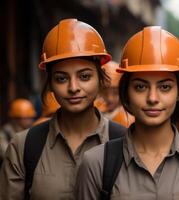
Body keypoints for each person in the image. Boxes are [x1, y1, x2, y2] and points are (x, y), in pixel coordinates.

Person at [75, 26, 179, 200]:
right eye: (140, 87)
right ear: (126, 94)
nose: (153, 98)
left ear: (178, 93)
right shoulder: (96, 164)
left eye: (165, 87)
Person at [0, 18, 126, 200]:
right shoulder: (24, 147)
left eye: (84, 76)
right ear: (50, 84)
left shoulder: (126, 143)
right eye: (61, 78)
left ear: (100, 80)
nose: (73, 87)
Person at [0, 98, 37, 165]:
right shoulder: (4, 133)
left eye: (31, 117)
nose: (30, 121)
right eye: (26, 118)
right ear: (16, 118)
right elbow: (7, 155)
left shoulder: (33, 130)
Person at [100, 61, 135, 127]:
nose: (110, 98)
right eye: (104, 92)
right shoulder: (98, 108)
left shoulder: (127, 119)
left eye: (115, 93)